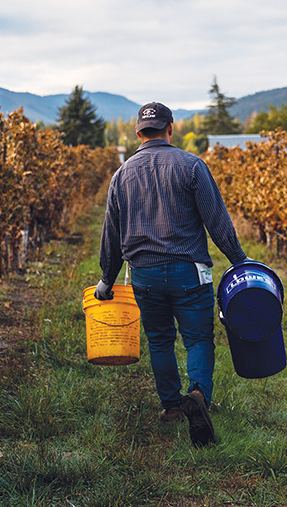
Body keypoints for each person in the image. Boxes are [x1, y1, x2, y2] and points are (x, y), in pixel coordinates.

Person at [94, 102, 247, 447]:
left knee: (160, 340)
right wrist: (240, 261)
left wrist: (107, 279)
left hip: (144, 274)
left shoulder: (121, 175)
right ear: (171, 128)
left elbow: (112, 235)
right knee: (197, 339)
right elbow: (216, 221)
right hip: (188, 271)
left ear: (137, 132)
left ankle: (171, 407)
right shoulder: (191, 165)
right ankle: (198, 396)